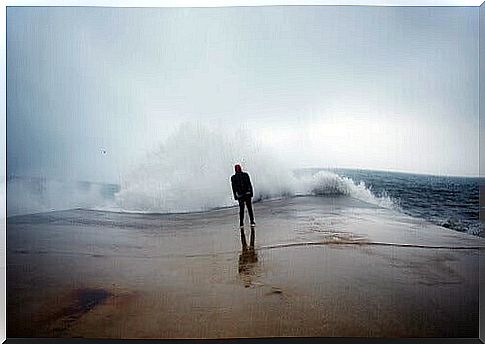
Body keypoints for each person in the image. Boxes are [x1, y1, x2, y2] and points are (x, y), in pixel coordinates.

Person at [231, 164, 255, 229]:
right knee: (247, 209)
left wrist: (235, 196)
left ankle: (243, 223)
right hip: (244, 194)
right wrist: (251, 193)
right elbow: (234, 188)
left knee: (244, 209)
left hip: (243, 195)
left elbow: (234, 188)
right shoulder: (244, 175)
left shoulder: (234, 177)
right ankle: (249, 222)